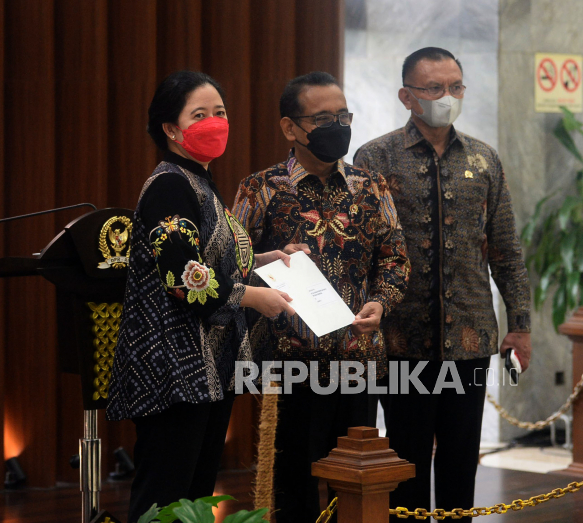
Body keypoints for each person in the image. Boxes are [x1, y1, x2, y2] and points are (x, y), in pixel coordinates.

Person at [107, 71, 301, 522]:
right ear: (171, 129)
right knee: (165, 500)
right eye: (199, 115)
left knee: (191, 500)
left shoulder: (199, 181)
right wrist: (252, 297)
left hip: (206, 370)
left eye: (220, 113)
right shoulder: (171, 184)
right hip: (174, 371)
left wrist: (269, 260)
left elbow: (210, 265)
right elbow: (182, 278)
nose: (215, 122)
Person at [354, 47, 532, 520]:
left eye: (455, 86)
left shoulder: (484, 159)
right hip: (400, 339)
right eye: (434, 88)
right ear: (407, 96)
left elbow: (507, 251)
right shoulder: (374, 157)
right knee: (405, 465)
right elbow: (362, 251)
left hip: (469, 339)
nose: (446, 96)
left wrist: (520, 324)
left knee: (459, 464)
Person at [233, 71, 411, 523]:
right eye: (323, 118)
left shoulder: (372, 187)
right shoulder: (262, 188)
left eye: (343, 115)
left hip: (358, 358)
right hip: (288, 359)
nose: (338, 126)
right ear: (290, 128)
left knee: (354, 481)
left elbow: (396, 259)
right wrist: (266, 260)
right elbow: (229, 260)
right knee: (293, 480)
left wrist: (382, 302)